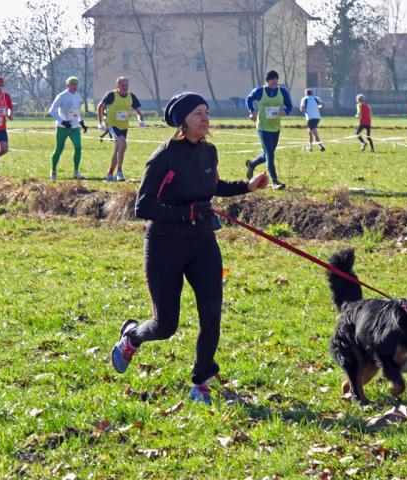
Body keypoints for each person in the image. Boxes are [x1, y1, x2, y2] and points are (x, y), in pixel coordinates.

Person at [110, 91, 269, 405]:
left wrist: (246, 187)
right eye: (198, 113)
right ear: (182, 120)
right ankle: (132, 336)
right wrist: (186, 213)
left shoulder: (209, 152)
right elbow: (143, 206)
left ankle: (201, 382)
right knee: (165, 325)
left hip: (202, 243)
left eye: (207, 112)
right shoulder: (164, 156)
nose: (205, 118)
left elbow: (211, 187)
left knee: (211, 316)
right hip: (164, 246)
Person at [244, 70, 292, 190]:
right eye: (272, 79)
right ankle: (275, 182)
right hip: (263, 127)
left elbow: (290, 105)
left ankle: (252, 163)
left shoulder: (282, 91)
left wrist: (285, 111)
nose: (275, 81)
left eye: (276, 78)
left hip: (275, 127)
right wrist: (251, 112)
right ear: (267, 81)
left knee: (268, 154)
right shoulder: (260, 91)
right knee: (270, 154)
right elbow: (248, 99)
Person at [97, 76, 146, 182]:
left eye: (126, 85)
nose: (125, 87)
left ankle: (110, 174)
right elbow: (100, 106)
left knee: (118, 149)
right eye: (122, 85)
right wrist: (100, 122)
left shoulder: (131, 96)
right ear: (117, 86)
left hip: (124, 126)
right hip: (112, 124)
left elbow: (139, 112)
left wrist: (141, 120)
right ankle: (119, 172)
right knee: (123, 143)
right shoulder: (111, 95)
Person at [48, 76, 87, 181]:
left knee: (78, 148)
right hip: (62, 128)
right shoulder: (61, 96)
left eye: (76, 84)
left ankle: (76, 172)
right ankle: (53, 170)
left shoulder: (78, 96)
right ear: (67, 85)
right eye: (72, 84)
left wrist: (81, 123)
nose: (74, 86)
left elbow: (76, 111)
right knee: (59, 149)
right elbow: (51, 110)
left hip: (75, 128)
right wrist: (63, 122)